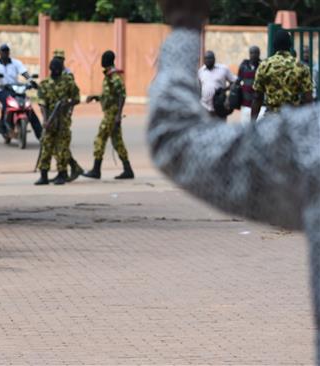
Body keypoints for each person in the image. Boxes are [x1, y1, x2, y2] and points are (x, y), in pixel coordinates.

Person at [150, 0, 320, 362]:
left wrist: (186, 25)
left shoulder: (308, 136)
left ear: (270, 50)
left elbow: (178, 140)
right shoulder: (301, 71)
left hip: (286, 135)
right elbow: (308, 98)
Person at [82, 51, 134, 180]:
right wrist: (96, 97)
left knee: (100, 139)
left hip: (112, 114)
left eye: (104, 58)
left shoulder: (114, 76)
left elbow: (122, 95)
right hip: (111, 112)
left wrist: (118, 115)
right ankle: (128, 170)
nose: (102, 61)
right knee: (117, 142)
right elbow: (109, 95)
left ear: (108, 60)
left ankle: (96, 170)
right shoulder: (108, 76)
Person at [35, 58, 80, 185]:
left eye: (58, 70)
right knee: (46, 146)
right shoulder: (45, 84)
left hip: (63, 121)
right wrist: (45, 120)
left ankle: (62, 174)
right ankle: (43, 175)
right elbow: (42, 104)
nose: (56, 72)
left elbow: (76, 99)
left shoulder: (68, 83)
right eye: (54, 70)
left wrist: (67, 105)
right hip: (50, 121)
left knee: (62, 148)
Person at [251, 30, 314, 121]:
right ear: (290, 45)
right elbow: (308, 98)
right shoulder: (301, 66)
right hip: (293, 120)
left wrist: (252, 124)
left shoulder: (264, 65)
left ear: (274, 46)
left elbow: (257, 97)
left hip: (271, 119)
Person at [0, 44, 42, 139]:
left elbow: (24, 72)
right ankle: (3, 126)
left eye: (6, 51)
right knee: (6, 105)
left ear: (9, 52)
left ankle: (41, 135)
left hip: (16, 89)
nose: (5, 53)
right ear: (0, 53)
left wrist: (31, 81)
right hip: (2, 90)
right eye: (3, 51)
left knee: (29, 109)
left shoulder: (15, 63)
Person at [50, 49, 83, 182]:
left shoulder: (68, 75)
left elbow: (73, 96)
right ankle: (73, 167)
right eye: (56, 58)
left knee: (61, 144)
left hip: (64, 114)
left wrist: (68, 109)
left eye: (60, 58)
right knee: (55, 144)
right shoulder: (55, 71)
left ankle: (64, 171)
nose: (58, 60)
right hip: (54, 114)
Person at [198, 50, 237, 120]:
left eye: (210, 58)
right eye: (206, 58)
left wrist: (225, 90)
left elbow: (234, 82)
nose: (208, 60)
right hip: (205, 107)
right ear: (204, 60)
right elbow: (198, 87)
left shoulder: (223, 69)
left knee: (220, 128)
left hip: (220, 106)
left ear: (214, 59)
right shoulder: (201, 71)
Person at [237, 46, 265, 123]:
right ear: (249, 54)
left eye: (256, 52)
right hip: (246, 105)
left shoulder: (262, 66)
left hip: (260, 105)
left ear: (259, 54)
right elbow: (238, 81)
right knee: (245, 130)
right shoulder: (244, 66)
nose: (254, 55)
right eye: (252, 53)